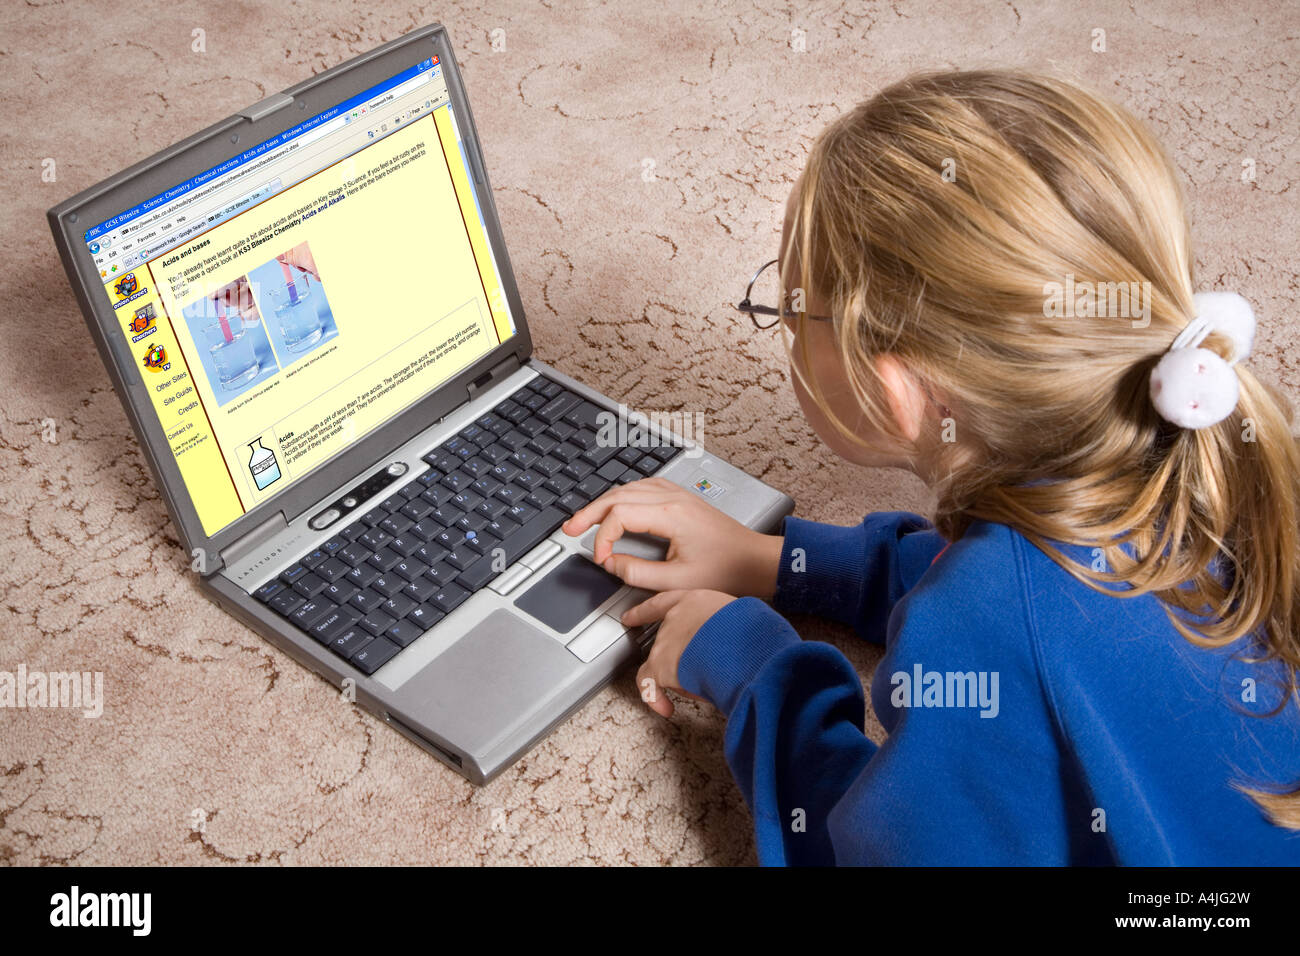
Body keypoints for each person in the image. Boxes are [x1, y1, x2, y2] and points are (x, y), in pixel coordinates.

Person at [563, 70, 1300, 865]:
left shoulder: (979, 630)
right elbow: (1019, 589)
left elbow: (859, 852)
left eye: (790, 310)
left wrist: (749, 662)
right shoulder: (1195, 463)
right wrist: (781, 561)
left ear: (893, 389)